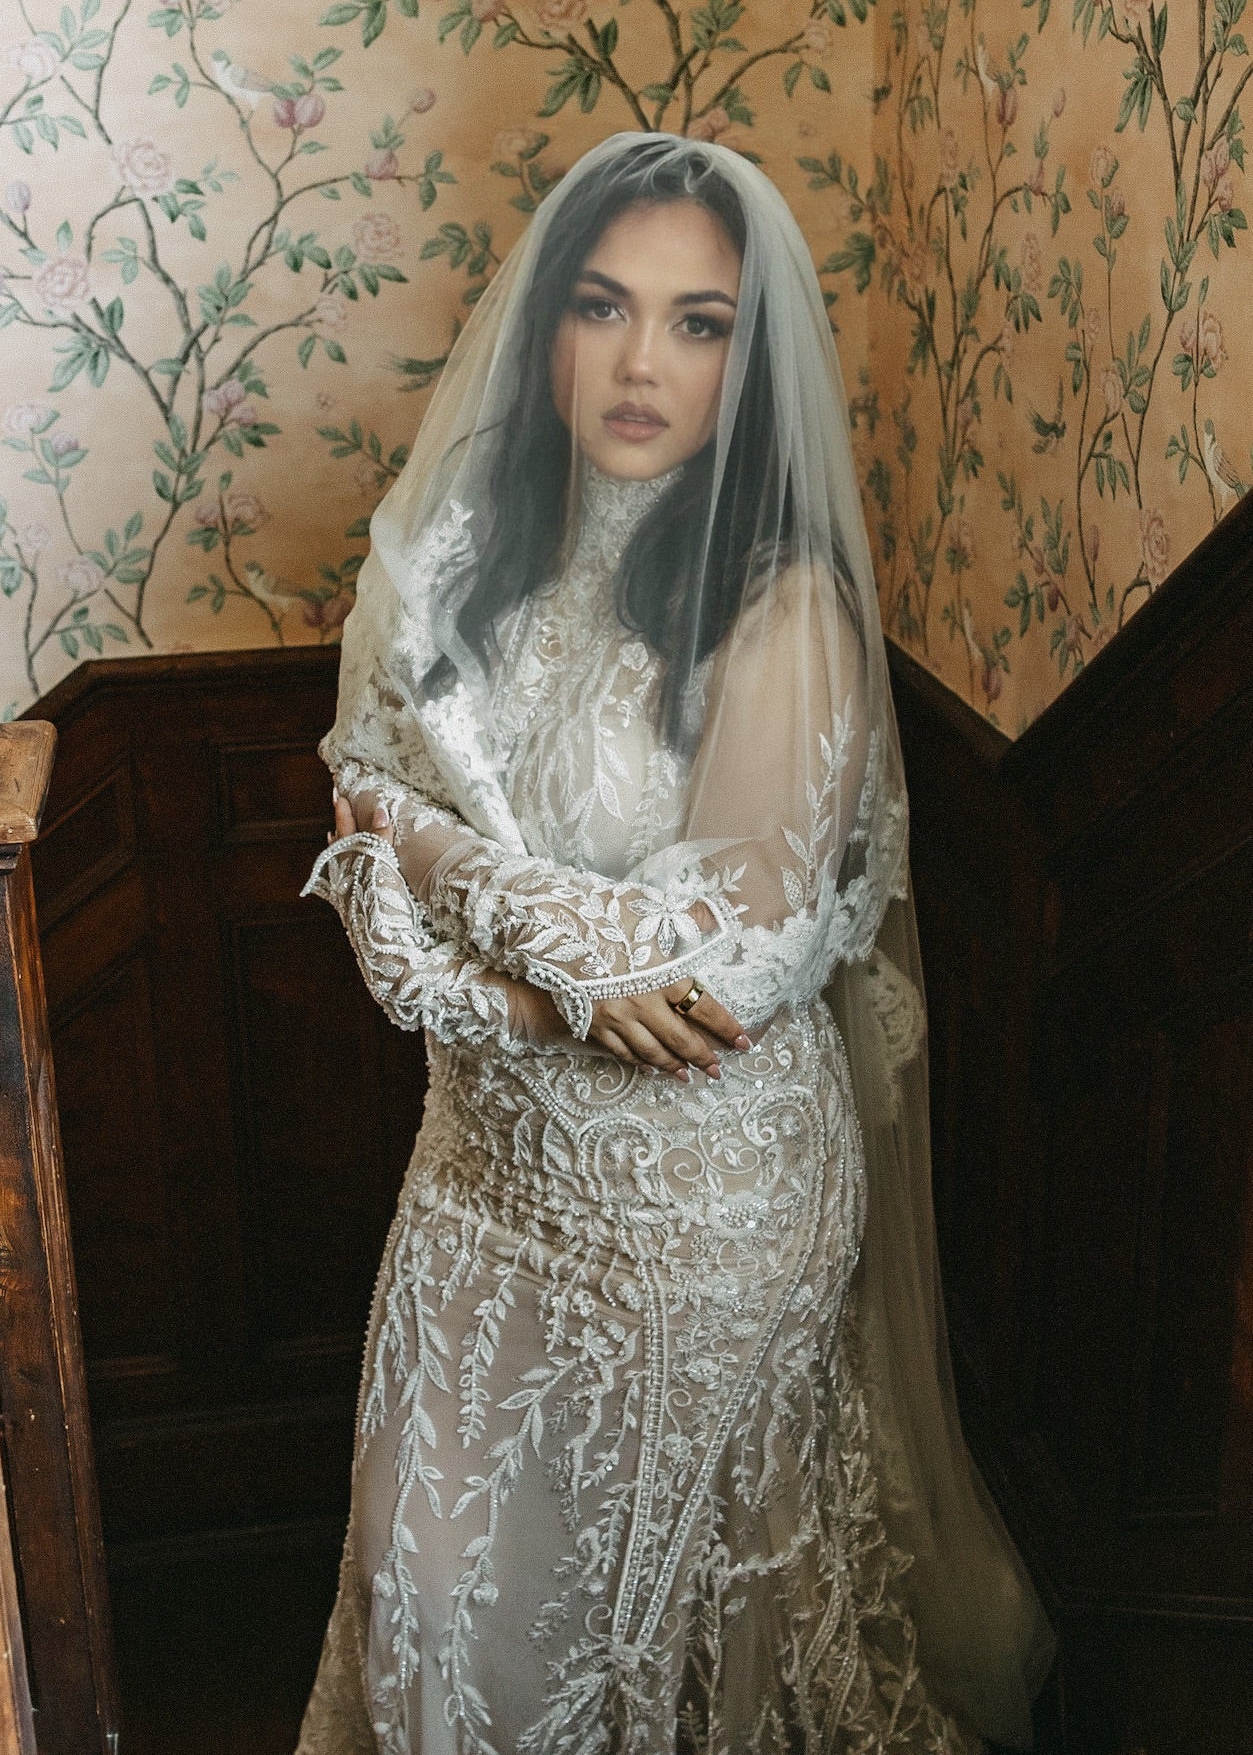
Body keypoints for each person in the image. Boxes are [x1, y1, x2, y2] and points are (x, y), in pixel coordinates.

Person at [295, 133, 1053, 1755]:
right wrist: (518, 930)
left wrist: (440, 892)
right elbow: (361, 762)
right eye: (604, 306)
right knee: (431, 1594)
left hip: (690, 1207)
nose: (642, 362)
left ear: (750, 356)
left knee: (654, 1631)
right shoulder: (471, 561)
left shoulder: (782, 610)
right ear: (545, 326)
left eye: (698, 322)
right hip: (482, 1180)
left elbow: (722, 972)